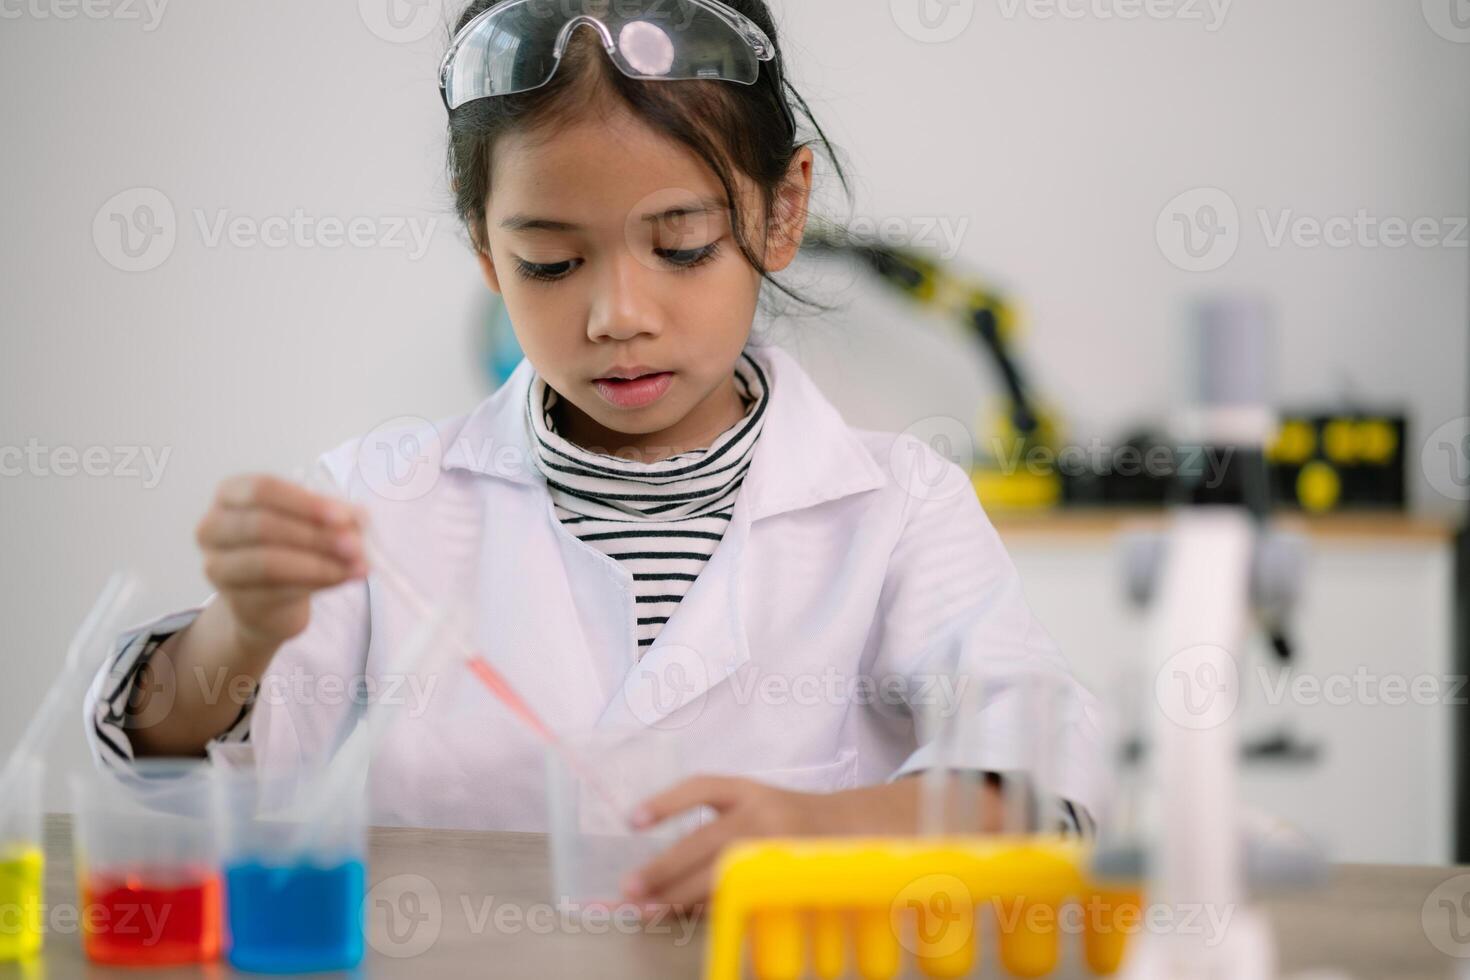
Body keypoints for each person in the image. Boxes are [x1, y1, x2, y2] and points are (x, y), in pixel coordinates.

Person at [84, 0, 1104, 913]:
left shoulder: (899, 506)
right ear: (486, 246)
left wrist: (826, 829)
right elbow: (169, 773)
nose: (618, 315)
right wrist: (241, 631)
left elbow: (1043, 767)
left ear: (781, 211)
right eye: (551, 261)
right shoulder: (377, 500)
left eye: (684, 244)